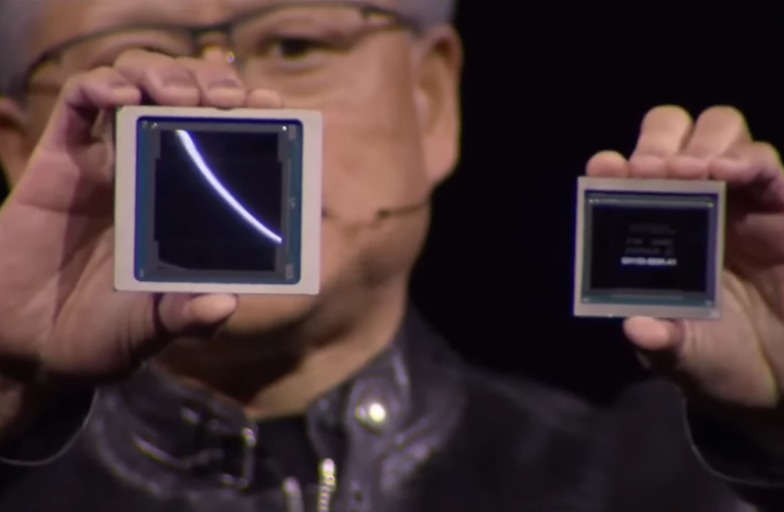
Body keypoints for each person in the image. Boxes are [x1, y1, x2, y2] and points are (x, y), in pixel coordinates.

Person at [0, 0, 783, 510]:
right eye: (134, 60)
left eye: (296, 43)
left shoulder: (664, 487)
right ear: (19, 150)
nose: (218, 107)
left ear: (430, 101)